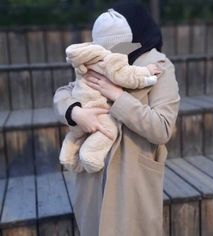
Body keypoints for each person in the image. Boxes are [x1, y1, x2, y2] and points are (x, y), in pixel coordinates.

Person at [53, 2, 180, 236]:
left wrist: (118, 96)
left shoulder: (159, 67)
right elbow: (64, 91)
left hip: (132, 177)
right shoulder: (102, 56)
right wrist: (76, 112)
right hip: (94, 175)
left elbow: (162, 128)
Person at [60, 40, 162, 173]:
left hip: (83, 108)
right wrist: (147, 74)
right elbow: (127, 77)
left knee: (76, 134)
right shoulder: (108, 60)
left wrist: (77, 113)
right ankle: (90, 155)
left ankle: (67, 156)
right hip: (98, 111)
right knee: (109, 130)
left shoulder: (83, 60)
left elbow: (161, 130)